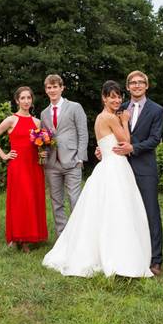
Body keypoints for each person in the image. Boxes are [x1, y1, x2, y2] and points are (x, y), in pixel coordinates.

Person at [42, 81, 153, 278]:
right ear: (104, 98)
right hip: (115, 168)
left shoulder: (102, 117)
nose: (117, 100)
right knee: (117, 211)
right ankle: (115, 256)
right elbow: (126, 142)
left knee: (107, 211)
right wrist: (125, 121)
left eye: (119, 96)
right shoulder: (110, 117)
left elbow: (106, 143)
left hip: (111, 165)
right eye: (112, 96)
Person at [113, 70, 163, 276]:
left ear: (146, 85)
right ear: (127, 87)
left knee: (151, 212)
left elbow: (154, 139)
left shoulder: (156, 110)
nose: (136, 85)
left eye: (140, 82)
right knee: (126, 211)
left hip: (145, 167)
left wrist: (132, 148)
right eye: (132, 83)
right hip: (121, 167)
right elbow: (112, 134)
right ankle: (130, 254)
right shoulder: (120, 108)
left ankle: (156, 259)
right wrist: (103, 147)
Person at [0, 86, 49, 252]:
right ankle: (18, 237)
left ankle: (29, 237)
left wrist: (42, 152)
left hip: (34, 166)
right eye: (23, 98)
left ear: (32, 100)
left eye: (29, 98)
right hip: (18, 166)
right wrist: (4, 155)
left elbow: (41, 145)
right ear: (17, 101)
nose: (26, 101)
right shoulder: (11, 120)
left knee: (32, 201)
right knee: (20, 201)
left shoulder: (37, 122)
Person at [40, 74, 88, 236]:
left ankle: (78, 236)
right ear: (46, 90)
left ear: (62, 88)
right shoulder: (44, 113)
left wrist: (80, 158)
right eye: (49, 87)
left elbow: (83, 133)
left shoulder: (75, 107)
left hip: (73, 161)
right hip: (52, 164)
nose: (52, 90)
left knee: (75, 200)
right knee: (56, 202)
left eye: (55, 87)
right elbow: (44, 138)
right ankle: (62, 237)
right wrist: (43, 155)